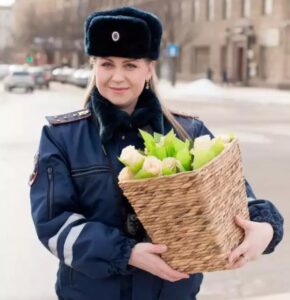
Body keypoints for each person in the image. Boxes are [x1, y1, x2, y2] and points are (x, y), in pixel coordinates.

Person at [29, 6, 284, 300]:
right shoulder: (61, 136)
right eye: (107, 64)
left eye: (130, 65)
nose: (117, 77)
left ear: (149, 68)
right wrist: (127, 253)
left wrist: (265, 226)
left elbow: (234, 198)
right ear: (93, 66)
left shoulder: (189, 132)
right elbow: (54, 224)